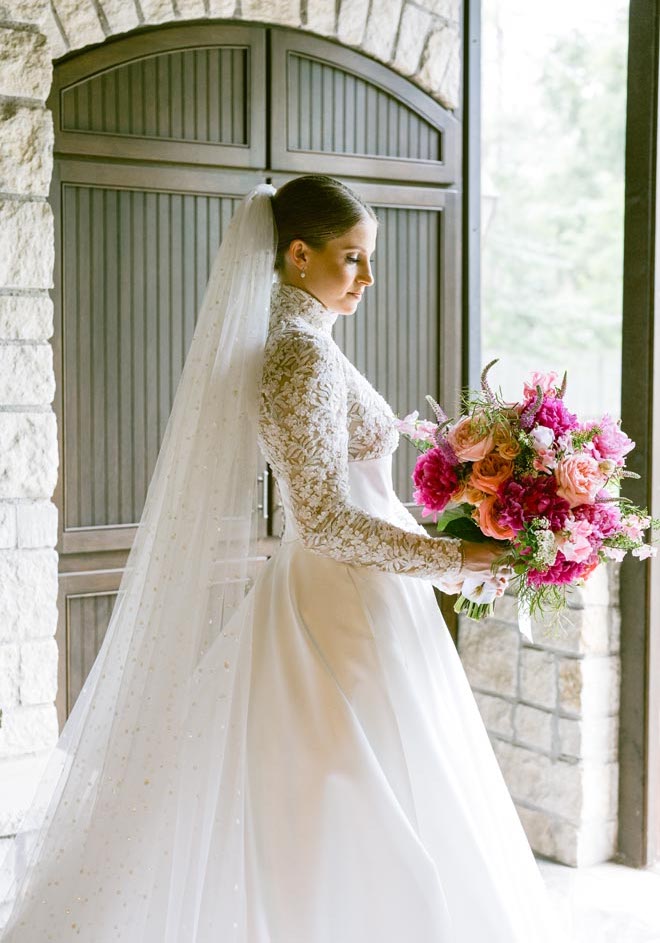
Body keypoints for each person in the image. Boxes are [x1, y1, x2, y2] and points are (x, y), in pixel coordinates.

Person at [0, 175, 564, 942]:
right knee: (352, 790)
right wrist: (455, 556)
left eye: (368, 259)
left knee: (382, 781)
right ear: (299, 254)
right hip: (340, 605)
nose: (368, 277)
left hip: (366, 596)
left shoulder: (313, 344)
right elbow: (327, 522)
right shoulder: (299, 358)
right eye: (352, 258)